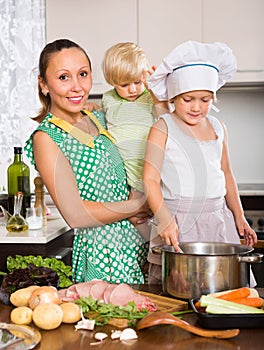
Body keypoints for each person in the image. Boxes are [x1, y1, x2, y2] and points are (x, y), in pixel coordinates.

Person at [24, 39, 151, 284]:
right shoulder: (47, 138)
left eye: (83, 74)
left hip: (138, 248)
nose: (77, 86)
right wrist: (138, 206)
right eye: (63, 77)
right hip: (103, 257)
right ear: (44, 85)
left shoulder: (100, 116)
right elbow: (76, 214)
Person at [143, 41, 257, 284]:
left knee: (223, 287)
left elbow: (226, 173)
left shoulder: (219, 127)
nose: (197, 107)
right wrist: (164, 218)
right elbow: (150, 179)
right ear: (174, 96)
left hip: (218, 219)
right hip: (178, 221)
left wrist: (239, 216)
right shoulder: (163, 127)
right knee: (179, 288)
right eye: (188, 99)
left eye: (205, 99)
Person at [100, 42, 167, 240]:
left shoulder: (150, 98)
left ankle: (154, 258)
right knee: (138, 220)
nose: (132, 90)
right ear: (112, 81)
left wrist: (157, 94)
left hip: (155, 171)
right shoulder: (108, 100)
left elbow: (167, 120)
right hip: (128, 178)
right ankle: (148, 260)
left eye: (137, 82)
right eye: (124, 85)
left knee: (159, 218)